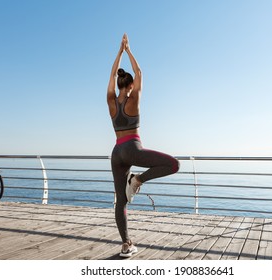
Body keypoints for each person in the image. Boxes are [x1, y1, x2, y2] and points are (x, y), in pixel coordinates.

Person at [107, 34, 180, 258]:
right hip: (132, 149)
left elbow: (112, 74)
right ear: (129, 85)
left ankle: (126, 245)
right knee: (173, 164)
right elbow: (139, 73)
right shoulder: (133, 98)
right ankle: (138, 179)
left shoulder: (110, 100)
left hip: (116, 152)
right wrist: (128, 51)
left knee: (121, 201)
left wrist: (119, 52)